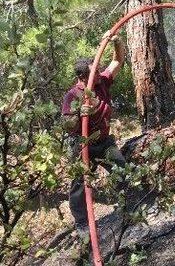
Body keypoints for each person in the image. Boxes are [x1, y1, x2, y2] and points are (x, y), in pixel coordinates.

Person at [61, 31, 126, 234]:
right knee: (80, 183)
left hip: (104, 141)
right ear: (82, 77)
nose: (98, 73)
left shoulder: (102, 82)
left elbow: (117, 61)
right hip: (83, 145)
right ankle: (81, 222)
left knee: (122, 169)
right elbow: (67, 125)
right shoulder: (73, 95)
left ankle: (124, 205)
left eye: (98, 70)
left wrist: (117, 42)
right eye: (94, 72)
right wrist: (79, 114)